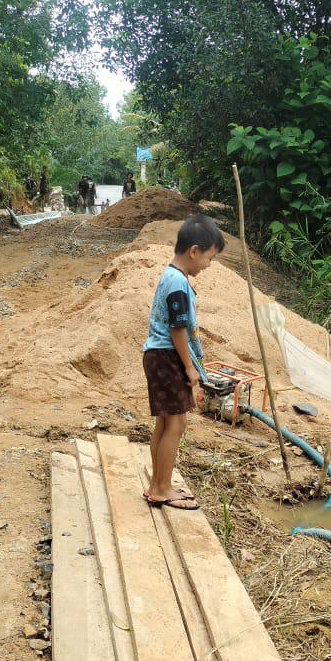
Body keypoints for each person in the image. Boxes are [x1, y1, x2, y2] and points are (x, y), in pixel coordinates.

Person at [142, 214, 226, 509]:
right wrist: (190, 368)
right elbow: (178, 329)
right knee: (176, 424)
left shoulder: (172, 276)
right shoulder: (178, 282)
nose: (208, 264)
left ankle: (157, 484)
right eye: (210, 257)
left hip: (157, 355)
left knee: (165, 423)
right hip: (168, 357)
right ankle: (162, 488)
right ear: (194, 251)